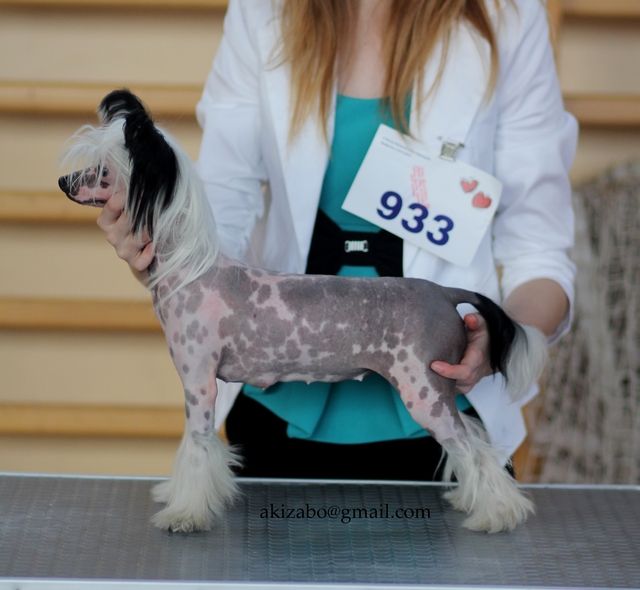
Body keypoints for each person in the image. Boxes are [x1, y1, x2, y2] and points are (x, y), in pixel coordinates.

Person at [97, 0, 577, 481]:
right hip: (277, 413)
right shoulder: (260, 12)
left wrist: (497, 337)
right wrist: (161, 244)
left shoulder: (509, 16)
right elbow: (221, 213)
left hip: (448, 404)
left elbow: (539, 253)